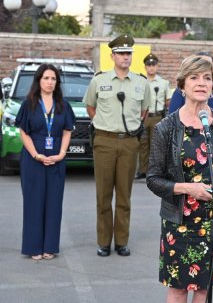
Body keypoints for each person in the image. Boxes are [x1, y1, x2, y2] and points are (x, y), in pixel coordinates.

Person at [146, 55, 213, 303]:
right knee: (179, 288)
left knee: (205, 287)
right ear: (182, 85)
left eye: (207, 78)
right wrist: (188, 188)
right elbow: (153, 179)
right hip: (180, 221)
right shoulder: (167, 128)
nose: (202, 83)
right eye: (194, 77)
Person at [83, 34, 151, 257]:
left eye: (128, 53)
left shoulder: (141, 82)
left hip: (129, 142)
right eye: (121, 53)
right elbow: (90, 107)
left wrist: (131, 127)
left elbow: (144, 111)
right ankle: (104, 242)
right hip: (104, 141)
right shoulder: (99, 80)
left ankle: (121, 241)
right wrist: (103, 124)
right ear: (112, 56)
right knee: (103, 195)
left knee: (124, 195)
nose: (125, 57)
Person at [15, 63, 75, 261]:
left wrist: (61, 153)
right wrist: (35, 154)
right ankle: (33, 247)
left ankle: (50, 246)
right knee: (33, 202)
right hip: (33, 159)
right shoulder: (29, 104)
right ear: (39, 81)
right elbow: (23, 132)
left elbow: (67, 131)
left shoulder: (63, 105)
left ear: (57, 82)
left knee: (53, 203)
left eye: (53, 79)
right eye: (46, 78)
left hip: (56, 159)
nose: (50, 82)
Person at [135, 53, 172, 180]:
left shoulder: (164, 83)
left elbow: (168, 101)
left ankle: (155, 171)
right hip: (143, 116)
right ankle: (143, 170)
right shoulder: (140, 82)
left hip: (157, 116)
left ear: (157, 66)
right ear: (145, 67)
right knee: (143, 144)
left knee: (156, 145)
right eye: (148, 65)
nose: (151, 67)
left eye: (153, 65)